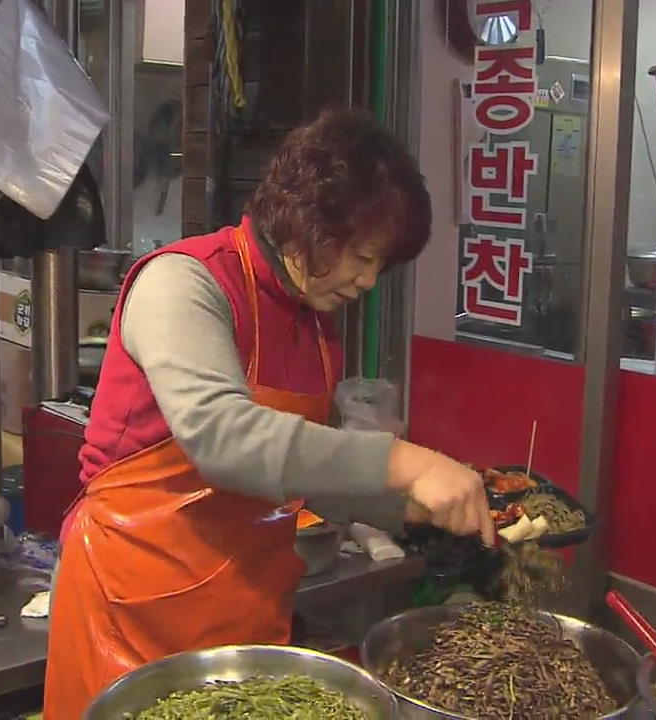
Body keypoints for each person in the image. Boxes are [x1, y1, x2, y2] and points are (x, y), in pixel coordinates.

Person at [43, 107, 493, 718]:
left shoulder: (314, 327)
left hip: (246, 609)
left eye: (380, 266)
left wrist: (416, 515)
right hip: (133, 606)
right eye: (362, 256)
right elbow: (223, 438)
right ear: (308, 220)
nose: (367, 282)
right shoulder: (185, 282)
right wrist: (407, 463)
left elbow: (305, 467)